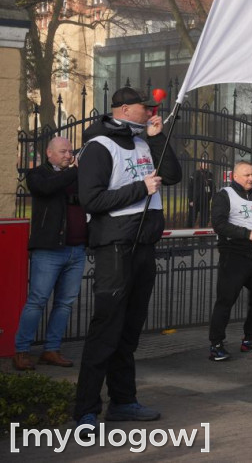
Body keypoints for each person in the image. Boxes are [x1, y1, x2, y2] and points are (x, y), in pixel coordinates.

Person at [73, 87, 182, 426]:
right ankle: (86, 411)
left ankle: (123, 400)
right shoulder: (99, 147)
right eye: (143, 107)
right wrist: (140, 189)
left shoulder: (142, 142)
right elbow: (90, 200)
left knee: (129, 332)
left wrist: (159, 138)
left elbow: (174, 175)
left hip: (143, 248)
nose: (150, 111)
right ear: (122, 109)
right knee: (106, 330)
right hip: (115, 248)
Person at [13, 137, 88, 371]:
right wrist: (75, 171)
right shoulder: (38, 174)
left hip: (76, 249)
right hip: (48, 250)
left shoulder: (78, 175)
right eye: (63, 151)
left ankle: (51, 350)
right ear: (49, 153)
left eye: (70, 151)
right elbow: (46, 188)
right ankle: (22, 351)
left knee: (65, 303)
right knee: (37, 301)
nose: (68, 154)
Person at [208, 161, 252, 361]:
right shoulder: (225, 195)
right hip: (234, 256)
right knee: (226, 300)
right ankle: (216, 344)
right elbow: (219, 224)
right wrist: (246, 234)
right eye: (246, 175)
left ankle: (250, 339)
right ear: (235, 177)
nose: (251, 179)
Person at [187, 160, 215, 228]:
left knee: (205, 219)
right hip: (195, 200)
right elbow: (190, 187)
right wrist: (190, 200)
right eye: (204, 163)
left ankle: (202, 236)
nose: (206, 164)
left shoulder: (210, 175)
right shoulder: (195, 173)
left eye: (207, 163)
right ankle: (187, 234)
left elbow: (213, 188)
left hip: (205, 200)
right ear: (200, 164)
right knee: (192, 218)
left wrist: (212, 198)